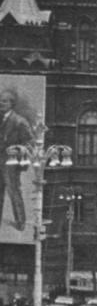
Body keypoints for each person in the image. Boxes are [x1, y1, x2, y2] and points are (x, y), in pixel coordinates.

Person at [0, 87, 35, 233]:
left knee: (14, 191)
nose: (1, 103)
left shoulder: (19, 121)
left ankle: (20, 222)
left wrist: (17, 152)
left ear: (11, 103)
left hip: (10, 163)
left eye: (4, 101)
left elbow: (30, 142)